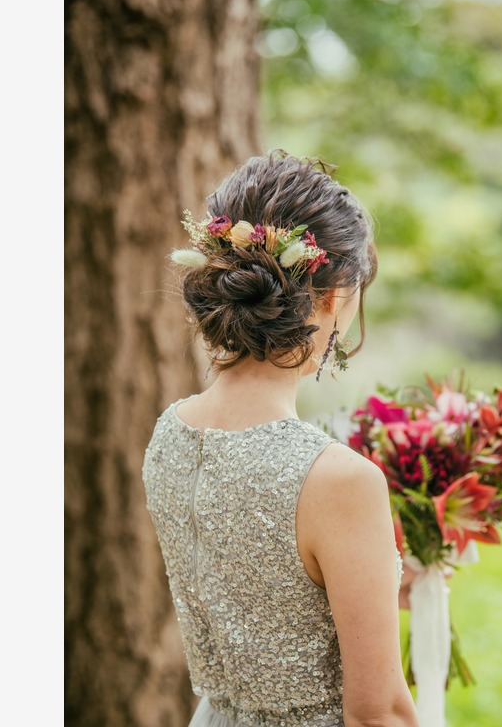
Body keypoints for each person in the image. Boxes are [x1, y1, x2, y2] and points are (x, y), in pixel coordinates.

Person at [142, 151, 418, 727]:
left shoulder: (171, 431)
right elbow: (380, 713)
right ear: (334, 298)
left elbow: (258, 591)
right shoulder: (339, 479)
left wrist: (375, 580)